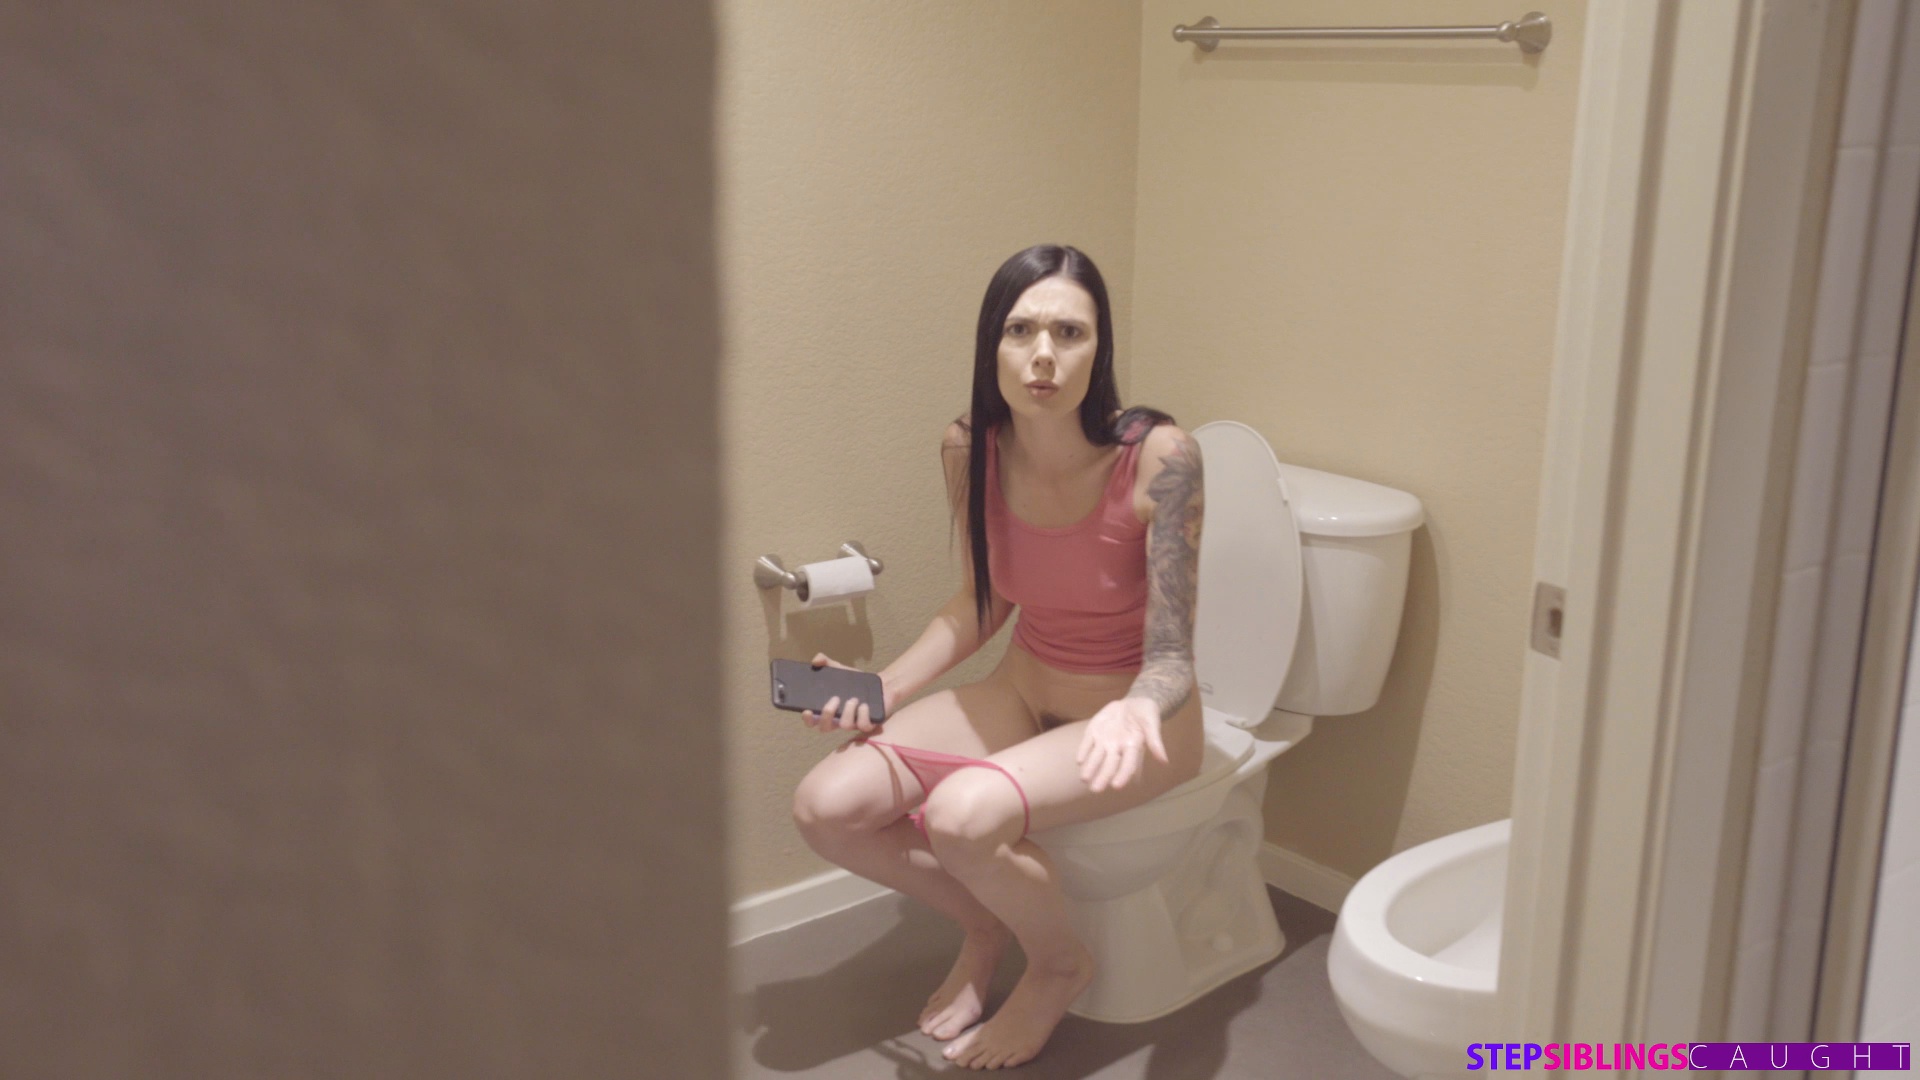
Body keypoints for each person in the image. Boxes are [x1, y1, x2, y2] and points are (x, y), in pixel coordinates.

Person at [788, 243, 1207, 1071]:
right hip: (1021, 688)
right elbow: (984, 600)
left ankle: (1056, 965)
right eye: (1021, 330)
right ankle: (986, 922)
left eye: (1069, 332)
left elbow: (1172, 654)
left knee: (960, 818)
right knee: (824, 806)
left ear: (1100, 348)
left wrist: (1136, 706)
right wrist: (885, 686)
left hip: (1136, 722)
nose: (1043, 354)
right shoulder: (969, 446)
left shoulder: (1162, 459)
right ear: (993, 344)